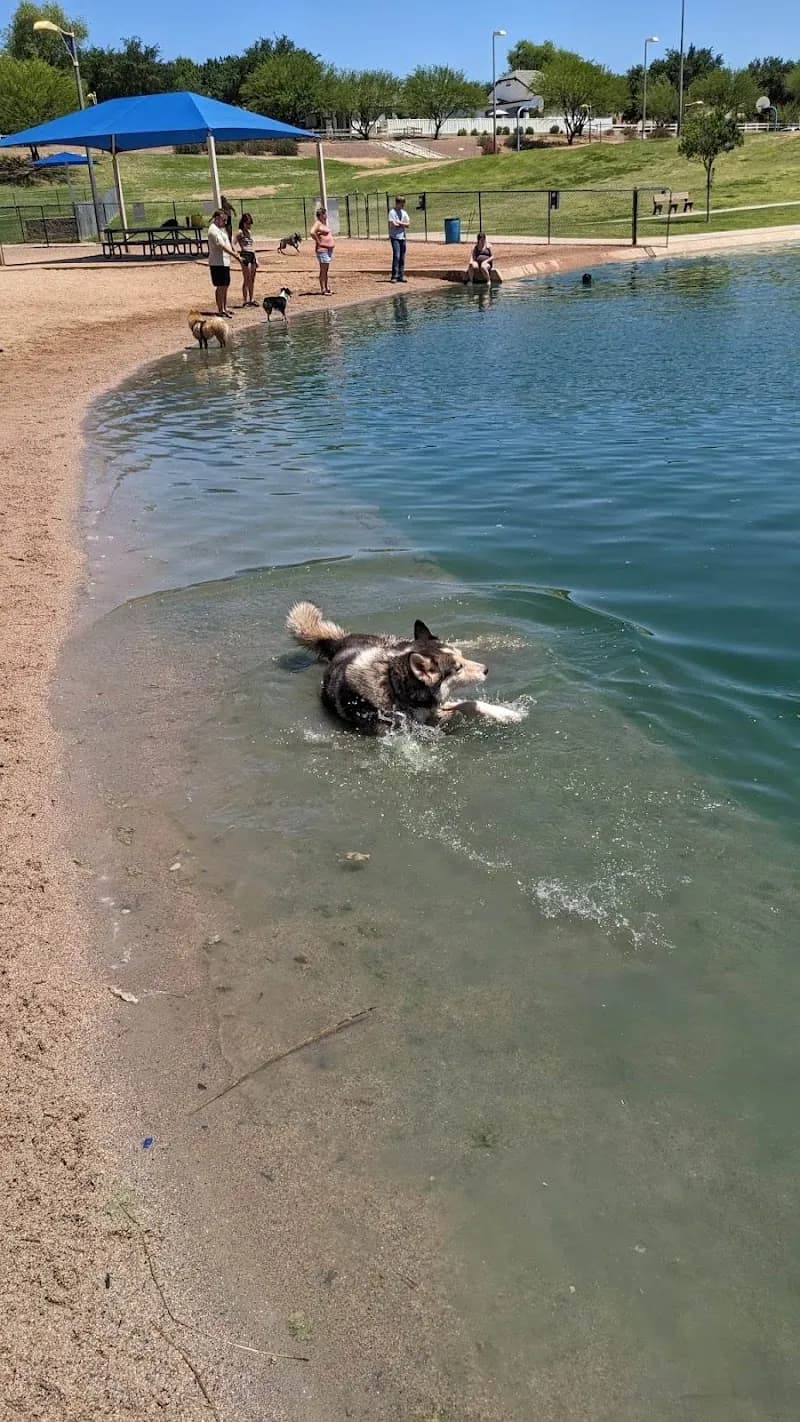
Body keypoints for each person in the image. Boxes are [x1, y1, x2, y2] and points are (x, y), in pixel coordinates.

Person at [207, 208, 242, 318]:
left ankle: (225, 307)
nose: (225, 222)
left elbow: (228, 243)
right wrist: (234, 255)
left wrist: (234, 252)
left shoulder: (221, 229)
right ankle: (220, 309)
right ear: (217, 218)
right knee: (220, 286)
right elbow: (221, 246)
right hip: (217, 262)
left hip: (225, 262)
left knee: (226, 285)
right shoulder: (213, 230)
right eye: (223, 220)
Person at [234, 212, 259, 307]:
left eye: (250, 224)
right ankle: (245, 300)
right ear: (243, 223)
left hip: (252, 254)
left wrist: (256, 259)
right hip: (245, 254)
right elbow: (233, 243)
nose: (249, 226)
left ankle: (251, 299)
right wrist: (237, 255)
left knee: (252, 279)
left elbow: (252, 246)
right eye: (247, 223)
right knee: (246, 278)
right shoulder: (240, 232)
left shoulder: (249, 233)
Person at [309, 205, 334, 295]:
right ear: (320, 215)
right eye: (324, 214)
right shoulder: (318, 224)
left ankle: (326, 288)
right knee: (323, 270)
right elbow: (312, 232)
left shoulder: (323, 224)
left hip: (328, 250)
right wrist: (319, 242)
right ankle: (323, 289)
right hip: (322, 250)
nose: (326, 215)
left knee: (326, 270)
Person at [388, 195, 410, 283]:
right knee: (396, 256)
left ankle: (401, 275)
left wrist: (400, 223)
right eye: (402, 204)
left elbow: (408, 224)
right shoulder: (392, 212)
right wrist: (401, 224)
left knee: (402, 257)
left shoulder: (404, 212)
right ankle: (394, 276)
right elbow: (392, 224)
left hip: (402, 237)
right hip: (395, 237)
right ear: (398, 203)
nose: (403, 205)